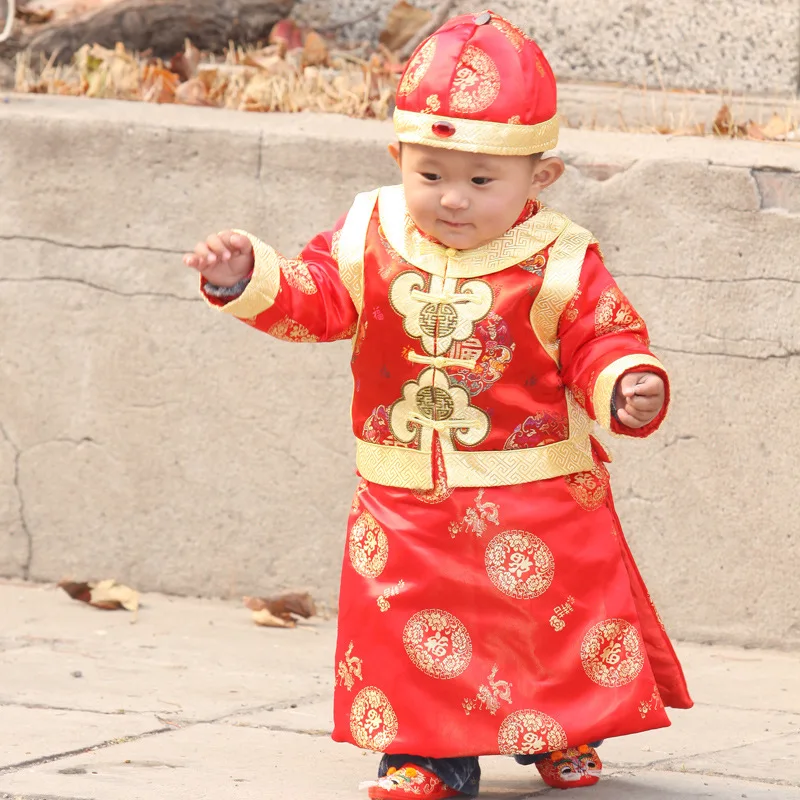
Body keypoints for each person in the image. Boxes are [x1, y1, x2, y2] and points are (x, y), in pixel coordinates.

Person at [182, 10, 692, 796]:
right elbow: (317, 300)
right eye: (430, 175)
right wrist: (247, 276)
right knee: (409, 620)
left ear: (540, 177)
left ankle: (559, 727)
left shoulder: (561, 257)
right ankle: (424, 750)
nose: (453, 199)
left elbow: (600, 335)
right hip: (405, 495)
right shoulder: (368, 233)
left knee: (549, 618)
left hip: (538, 490)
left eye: (481, 181)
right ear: (398, 157)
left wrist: (625, 382)